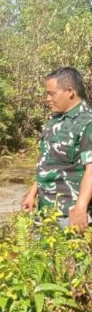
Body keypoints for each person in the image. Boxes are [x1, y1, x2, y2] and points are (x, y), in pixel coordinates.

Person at [22, 67, 92, 230]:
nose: (47, 99)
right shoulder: (55, 122)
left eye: (52, 93)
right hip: (46, 211)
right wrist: (33, 193)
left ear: (70, 92)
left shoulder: (87, 123)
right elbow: (48, 161)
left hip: (71, 213)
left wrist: (81, 207)